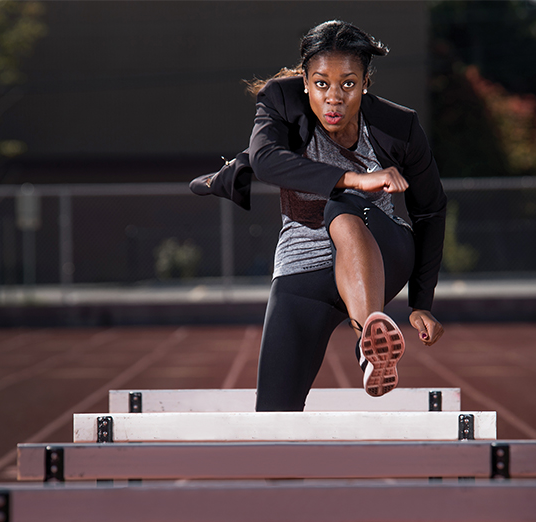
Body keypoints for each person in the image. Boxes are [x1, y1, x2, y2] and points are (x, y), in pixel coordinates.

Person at [190, 20, 446, 411]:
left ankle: (369, 342)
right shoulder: (281, 100)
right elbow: (265, 160)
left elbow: (430, 209)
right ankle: (281, 470)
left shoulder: (399, 126)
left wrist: (421, 302)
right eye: (322, 83)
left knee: (340, 206)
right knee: (274, 414)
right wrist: (355, 178)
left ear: (365, 84)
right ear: (305, 82)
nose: (334, 98)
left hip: (382, 251)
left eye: (348, 84)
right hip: (304, 267)